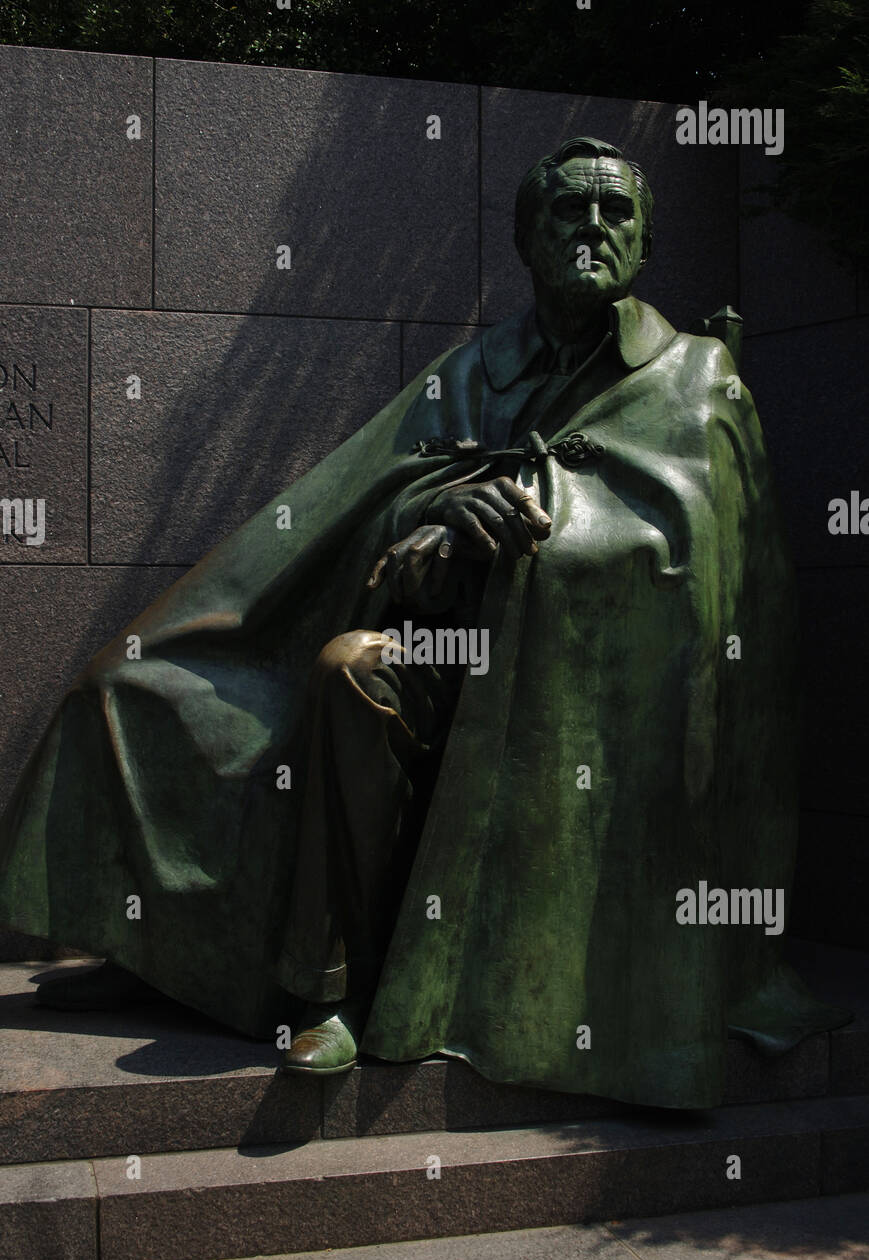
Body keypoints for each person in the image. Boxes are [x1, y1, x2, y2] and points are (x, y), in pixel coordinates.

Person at [0, 137, 848, 1108]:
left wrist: (540, 520)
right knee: (130, 683)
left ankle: (338, 995)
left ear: (645, 241)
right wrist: (432, 520)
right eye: (568, 211)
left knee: (344, 670)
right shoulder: (475, 369)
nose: (592, 230)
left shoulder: (695, 376)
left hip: (585, 708)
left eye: (615, 215)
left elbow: (703, 568)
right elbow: (366, 504)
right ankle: (169, 953)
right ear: (528, 239)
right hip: (448, 648)